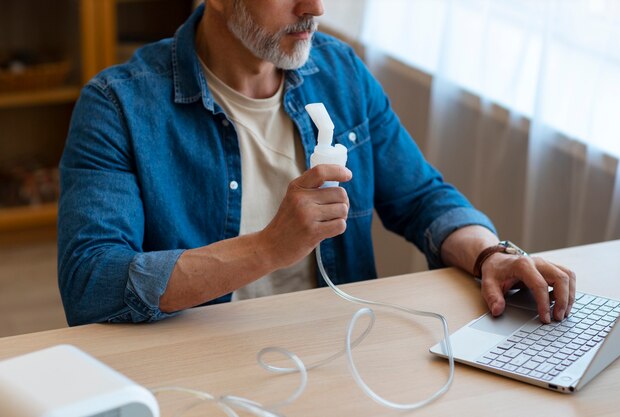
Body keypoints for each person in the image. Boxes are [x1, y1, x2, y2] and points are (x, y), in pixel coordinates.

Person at [58, 0, 575, 326]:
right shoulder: (118, 106)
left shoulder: (340, 70)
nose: (316, 7)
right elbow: (91, 283)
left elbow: (421, 199)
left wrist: (490, 256)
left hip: (340, 349)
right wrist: (266, 248)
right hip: (196, 373)